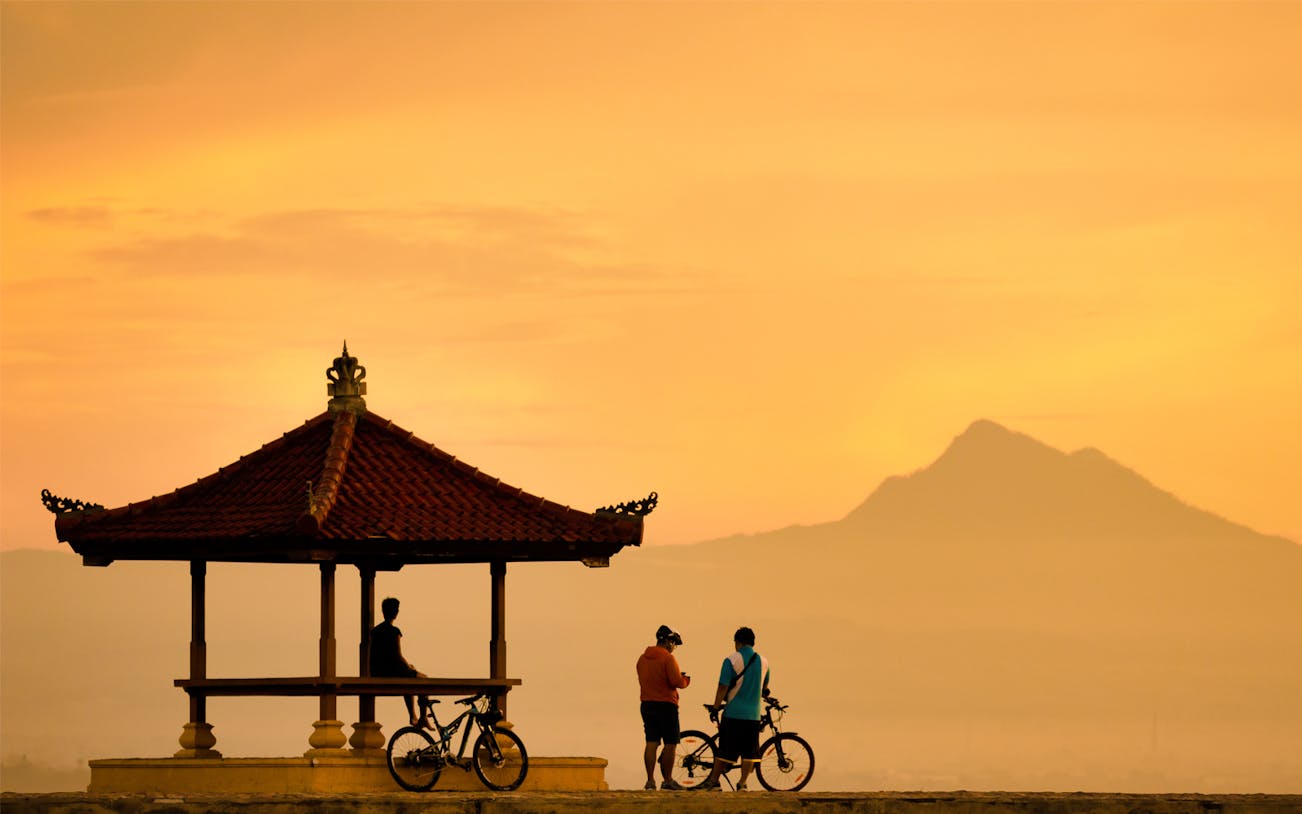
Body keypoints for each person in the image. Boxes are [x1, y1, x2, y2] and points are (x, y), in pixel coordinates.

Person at [697, 626, 770, 791]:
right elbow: (765, 686)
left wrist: (716, 707)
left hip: (733, 713)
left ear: (738, 642)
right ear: (752, 642)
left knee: (725, 750)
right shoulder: (764, 661)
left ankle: (714, 781)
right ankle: (742, 783)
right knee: (749, 753)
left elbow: (723, 685)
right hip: (753, 715)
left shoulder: (731, 659)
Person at [636, 624, 692, 790]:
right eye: (674, 643)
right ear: (668, 641)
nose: (674, 647)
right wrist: (686, 680)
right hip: (666, 705)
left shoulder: (642, 658)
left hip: (647, 704)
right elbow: (676, 682)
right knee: (670, 743)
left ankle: (650, 781)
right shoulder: (668, 658)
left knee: (651, 742)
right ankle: (667, 780)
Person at [370, 597, 431, 727]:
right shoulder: (394, 631)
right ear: (396, 612)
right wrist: (413, 672)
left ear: (383, 611)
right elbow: (397, 657)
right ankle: (422, 717)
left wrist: (409, 669)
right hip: (390, 672)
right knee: (424, 680)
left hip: (377, 672)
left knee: (409, 673)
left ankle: (413, 715)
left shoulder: (375, 631)